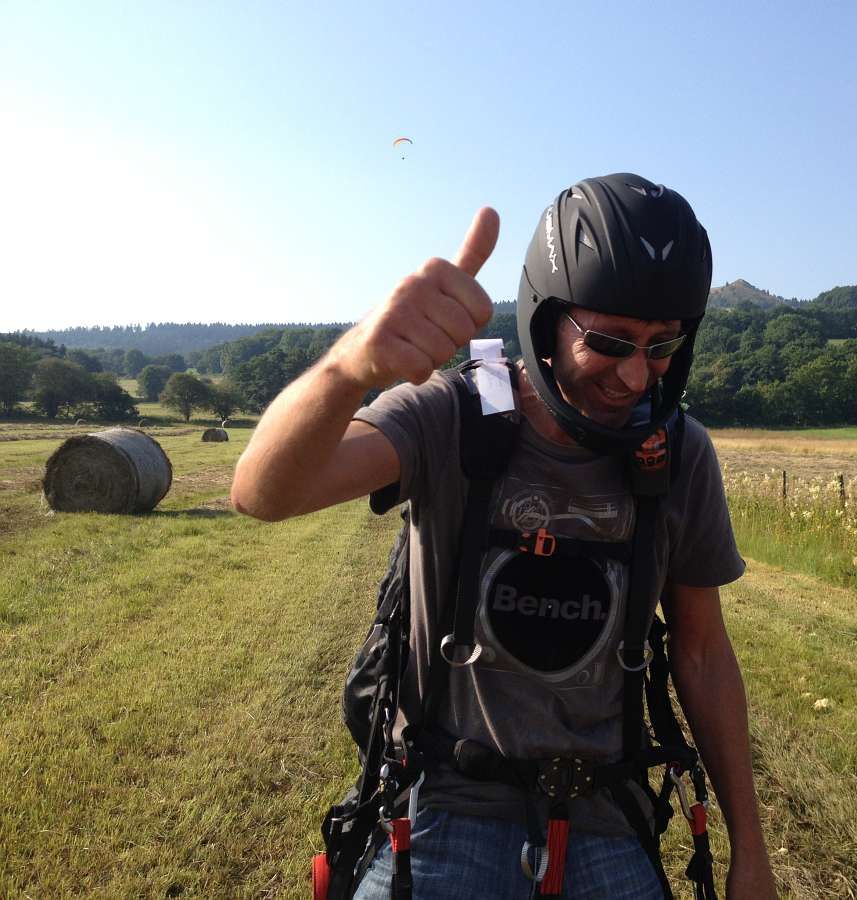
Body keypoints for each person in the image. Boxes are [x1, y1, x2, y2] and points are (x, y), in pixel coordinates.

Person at [231, 173, 777, 900]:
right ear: (544, 321)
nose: (634, 375)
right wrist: (347, 366)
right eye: (609, 341)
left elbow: (702, 653)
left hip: (604, 815)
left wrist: (751, 854)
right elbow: (263, 493)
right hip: (447, 806)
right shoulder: (454, 414)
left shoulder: (678, 453)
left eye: (662, 345)